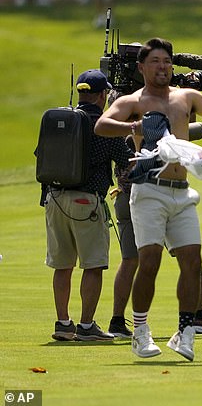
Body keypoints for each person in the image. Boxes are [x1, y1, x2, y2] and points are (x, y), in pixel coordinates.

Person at [95, 38, 202, 361]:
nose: (162, 67)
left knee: (193, 261)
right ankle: (140, 331)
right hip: (148, 191)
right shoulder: (133, 100)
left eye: (166, 61)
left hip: (182, 193)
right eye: (155, 62)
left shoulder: (185, 97)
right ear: (142, 67)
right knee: (149, 261)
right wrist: (135, 125)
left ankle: (185, 331)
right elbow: (101, 124)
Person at [107, 111, 202, 338]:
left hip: (125, 193)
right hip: (153, 194)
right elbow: (186, 141)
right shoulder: (153, 116)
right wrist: (185, 115)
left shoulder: (125, 117)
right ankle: (197, 315)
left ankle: (117, 321)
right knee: (189, 256)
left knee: (131, 260)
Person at [44, 69, 133, 342]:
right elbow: (127, 160)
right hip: (87, 200)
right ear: (102, 95)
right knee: (93, 265)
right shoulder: (105, 125)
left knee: (63, 265)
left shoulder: (61, 119)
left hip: (55, 198)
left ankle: (63, 323)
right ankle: (85, 326)